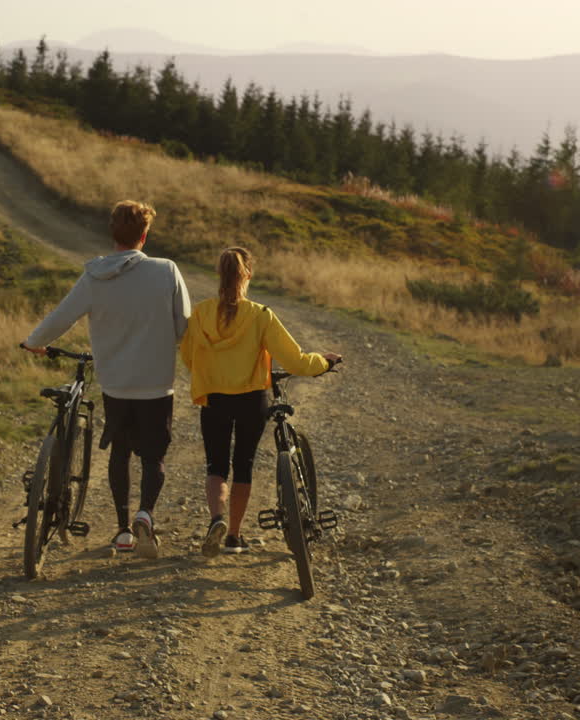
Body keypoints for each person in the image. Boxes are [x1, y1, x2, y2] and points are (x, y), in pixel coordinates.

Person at [22, 200, 190, 558]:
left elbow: (61, 316)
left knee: (120, 453)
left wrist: (35, 342)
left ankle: (124, 530)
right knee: (153, 457)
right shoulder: (167, 270)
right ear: (145, 235)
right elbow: (183, 327)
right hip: (156, 382)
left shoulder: (94, 276)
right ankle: (146, 513)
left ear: (112, 233)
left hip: (115, 383)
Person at [178, 247, 341, 556]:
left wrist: (214, 373)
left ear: (219, 275)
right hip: (252, 400)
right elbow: (296, 361)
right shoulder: (260, 315)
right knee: (243, 465)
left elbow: (188, 356)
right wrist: (325, 362)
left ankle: (216, 519)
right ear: (248, 276)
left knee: (215, 465)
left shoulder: (200, 314)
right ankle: (235, 536)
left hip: (214, 399)